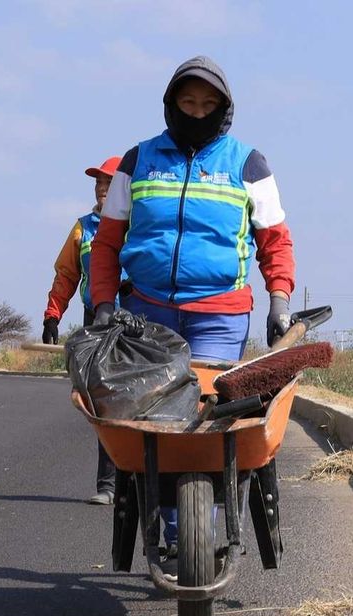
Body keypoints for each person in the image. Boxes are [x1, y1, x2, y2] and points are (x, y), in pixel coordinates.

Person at [88, 56, 296, 568]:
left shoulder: (248, 164)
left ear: (224, 109)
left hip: (219, 313)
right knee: (158, 420)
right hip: (148, 314)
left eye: (208, 104)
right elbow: (108, 244)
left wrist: (280, 298)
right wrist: (102, 303)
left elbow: (274, 241)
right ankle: (181, 531)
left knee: (204, 420)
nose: (197, 111)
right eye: (188, 101)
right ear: (171, 103)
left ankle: (199, 523)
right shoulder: (138, 162)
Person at [42, 156, 125, 505]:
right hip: (98, 322)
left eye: (109, 183)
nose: (102, 189)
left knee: (140, 401)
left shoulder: (143, 224)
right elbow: (66, 275)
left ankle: (139, 483)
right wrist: (53, 314)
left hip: (139, 322)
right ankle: (108, 484)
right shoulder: (83, 229)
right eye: (98, 184)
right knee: (103, 403)